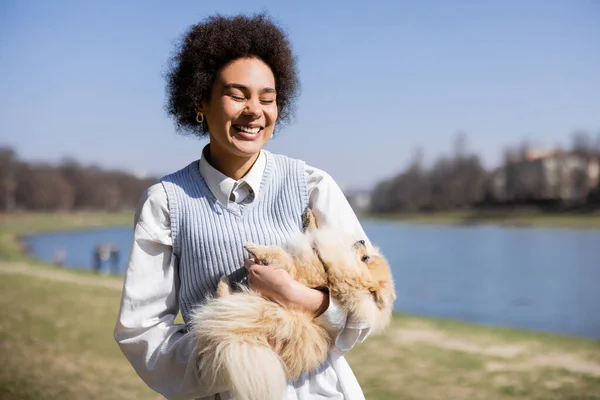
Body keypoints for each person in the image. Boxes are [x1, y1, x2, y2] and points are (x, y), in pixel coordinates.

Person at [114, 13, 374, 400]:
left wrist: (296, 296)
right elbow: (141, 330)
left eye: (266, 98)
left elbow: (367, 299)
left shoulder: (313, 186)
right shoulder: (166, 202)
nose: (254, 110)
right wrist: (239, 356)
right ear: (200, 100)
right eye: (237, 95)